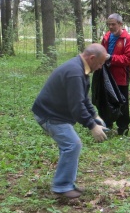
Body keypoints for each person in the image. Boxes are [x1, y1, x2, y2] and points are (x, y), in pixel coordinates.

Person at [32, 44, 110, 199]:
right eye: (100, 63)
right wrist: (92, 126)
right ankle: (62, 188)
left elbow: (82, 97)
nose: (101, 67)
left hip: (55, 113)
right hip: (50, 115)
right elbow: (77, 106)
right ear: (92, 58)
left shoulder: (80, 68)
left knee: (69, 146)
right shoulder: (75, 72)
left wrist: (94, 115)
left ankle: (66, 183)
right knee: (72, 144)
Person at [99, 13, 130, 135]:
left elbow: (128, 59)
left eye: (113, 24)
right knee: (105, 101)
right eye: (109, 24)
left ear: (120, 24)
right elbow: (101, 51)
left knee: (122, 102)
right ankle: (106, 125)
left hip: (121, 76)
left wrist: (111, 58)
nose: (110, 27)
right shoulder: (106, 37)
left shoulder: (128, 40)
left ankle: (123, 128)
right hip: (106, 75)